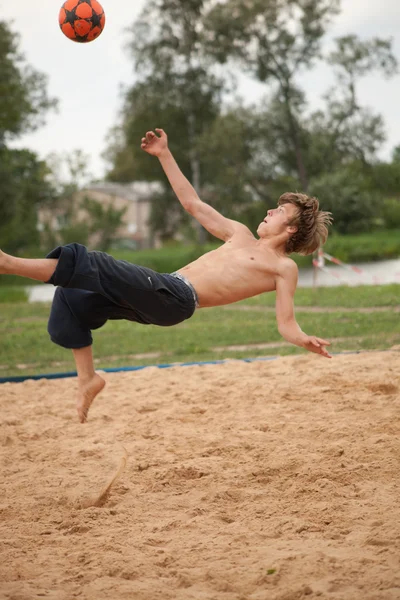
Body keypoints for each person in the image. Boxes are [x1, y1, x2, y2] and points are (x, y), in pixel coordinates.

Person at [0, 128, 333, 423]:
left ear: (289, 229)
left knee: (95, 262)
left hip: (177, 299)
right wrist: (164, 154)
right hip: (163, 291)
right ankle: (88, 379)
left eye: (279, 212)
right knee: (72, 296)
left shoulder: (282, 267)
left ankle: (9, 264)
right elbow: (192, 203)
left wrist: (303, 338)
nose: (270, 210)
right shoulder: (240, 234)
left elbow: (285, 323)